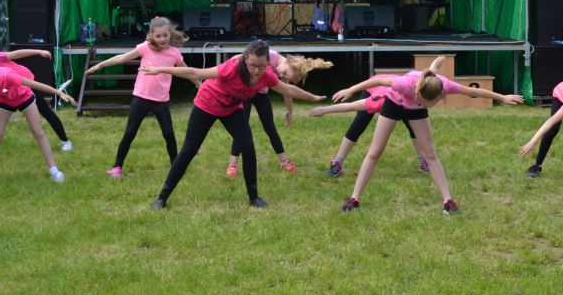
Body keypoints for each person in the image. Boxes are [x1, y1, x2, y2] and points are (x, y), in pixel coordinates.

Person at [332, 55, 523, 214]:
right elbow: (377, 81)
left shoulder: (444, 85)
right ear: (418, 93)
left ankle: (448, 201)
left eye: (433, 102)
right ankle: (354, 199)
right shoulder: (404, 84)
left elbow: (472, 91)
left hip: (415, 111)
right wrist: (350, 90)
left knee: (430, 154)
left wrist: (502, 97)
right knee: (375, 152)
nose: (430, 104)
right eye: (425, 101)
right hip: (394, 104)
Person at [146, 40, 325, 209]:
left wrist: (313, 98)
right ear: (246, 59)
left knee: (248, 147)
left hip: (231, 109)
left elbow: (288, 89)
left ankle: (254, 198)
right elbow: (195, 73)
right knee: (189, 150)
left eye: (261, 66)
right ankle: (162, 198)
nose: (257, 70)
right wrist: (160, 69)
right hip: (207, 103)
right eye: (253, 65)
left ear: (267, 63)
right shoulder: (232, 68)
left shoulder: (267, 75)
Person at [84, 17, 188, 178]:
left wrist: (198, 83)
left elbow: (186, 71)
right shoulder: (145, 48)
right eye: (158, 36)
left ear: (170, 34)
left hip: (161, 101)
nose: (162, 39)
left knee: (168, 133)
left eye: (165, 35)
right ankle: (117, 167)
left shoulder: (174, 53)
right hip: (141, 98)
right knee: (130, 132)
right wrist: (100, 64)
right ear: (151, 35)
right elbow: (122, 58)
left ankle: (176, 167)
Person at [224, 52, 333, 177]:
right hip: (245, 92)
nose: (282, 75)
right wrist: (225, 72)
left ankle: (285, 162)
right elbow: (238, 58)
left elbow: (287, 92)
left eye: (285, 76)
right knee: (242, 128)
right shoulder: (268, 55)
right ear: (288, 62)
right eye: (285, 73)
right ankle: (232, 165)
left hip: (261, 94)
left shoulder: (283, 70)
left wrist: (290, 111)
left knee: (270, 128)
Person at [0, 45, 73, 153]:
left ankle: (65, 141)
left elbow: (17, 54)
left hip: (25, 84)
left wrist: (39, 52)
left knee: (45, 111)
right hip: (6, 92)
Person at [309, 76, 424, 178]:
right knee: (360, 122)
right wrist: (324, 110)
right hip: (374, 85)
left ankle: (424, 162)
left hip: (399, 88)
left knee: (414, 127)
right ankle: (337, 163)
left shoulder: (418, 99)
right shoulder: (382, 101)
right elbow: (350, 106)